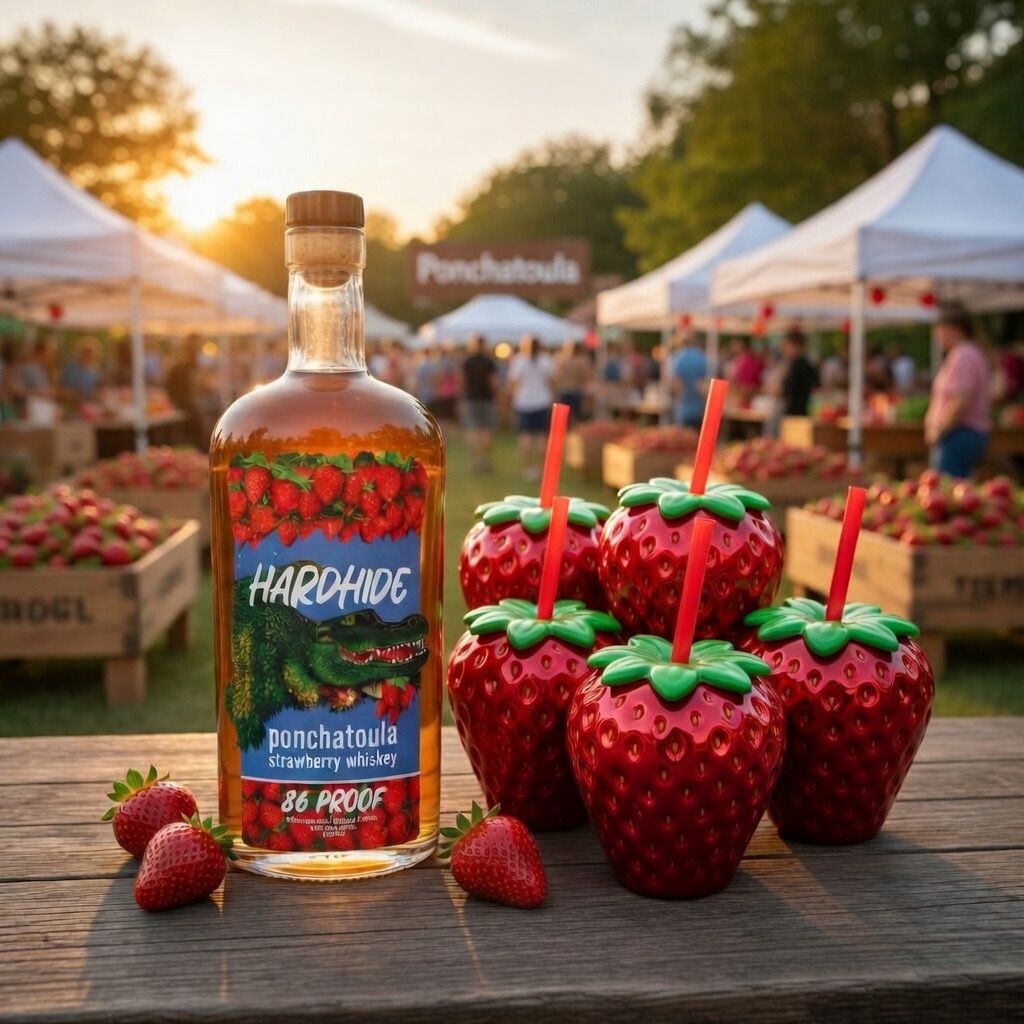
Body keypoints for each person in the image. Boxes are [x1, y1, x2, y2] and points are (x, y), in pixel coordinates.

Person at [925, 305, 991, 478]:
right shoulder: (969, 353)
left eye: (939, 330)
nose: (937, 335)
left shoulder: (964, 355)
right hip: (962, 433)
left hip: (960, 433)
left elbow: (961, 399)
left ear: (953, 328)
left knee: (949, 489)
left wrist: (940, 430)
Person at [507, 334, 554, 480]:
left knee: (525, 437)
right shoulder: (546, 361)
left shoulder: (519, 361)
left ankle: (527, 469)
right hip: (542, 401)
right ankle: (540, 469)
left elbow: (513, 381)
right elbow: (553, 379)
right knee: (541, 437)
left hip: (524, 402)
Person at [461, 334, 498, 472]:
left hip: (471, 399)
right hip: (487, 399)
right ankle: (485, 460)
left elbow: (462, 381)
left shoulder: (467, 361)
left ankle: (475, 460)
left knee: (473, 430)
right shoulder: (489, 362)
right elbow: (493, 382)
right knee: (487, 430)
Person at [166, 336, 205, 448]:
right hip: (186, 404)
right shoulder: (183, 367)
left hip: (184, 403)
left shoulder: (184, 366)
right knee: (195, 431)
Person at [671, 335, 708, 429]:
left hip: (684, 406)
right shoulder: (702, 357)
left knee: (684, 438)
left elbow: (677, 384)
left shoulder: (679, 358)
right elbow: (704, 384)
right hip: (699, 406)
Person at [780, 329, 818, 416]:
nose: (786, 349)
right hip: (798, 412)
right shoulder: (802, 363)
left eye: (787, 346)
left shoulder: (800, 365)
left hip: (797, 413)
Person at [554, 339, 592, 421]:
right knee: (577, 417)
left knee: (564, 419)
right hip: (576, 391)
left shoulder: (561, 361)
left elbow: (556, 377)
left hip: (564, 391)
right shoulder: (581, 362)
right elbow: (586, 377)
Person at [60, 338, 102, 408]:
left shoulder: (95, 368)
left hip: (91, 403)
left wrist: (98, 393)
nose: (89, 355)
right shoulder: (71, 368)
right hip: (73, 404)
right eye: (86, 352)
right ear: (80, 353)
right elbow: (65, 389)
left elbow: (99, 385)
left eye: (91, 353)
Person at [728, 337, 764, 404]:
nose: (732, 347)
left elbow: (738, 377)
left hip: (745, 391)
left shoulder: (746, 361)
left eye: (734, 344)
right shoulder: (740, 360)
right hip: (746, 390)